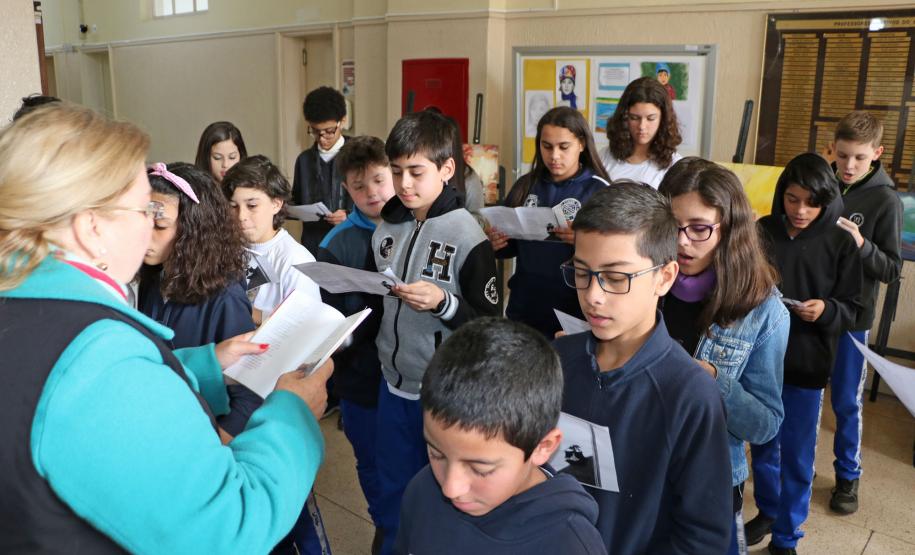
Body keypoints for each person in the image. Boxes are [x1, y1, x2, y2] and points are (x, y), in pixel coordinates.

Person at [0, 102, 332, 553]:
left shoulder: (23, 306)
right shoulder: (99, 357)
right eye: (143, 212)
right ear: (91, 226)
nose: (150, 228)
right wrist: (292, 411)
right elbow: (227, 530)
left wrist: (207, 363)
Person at [553, 182, 732, 555]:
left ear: (664, 277)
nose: (593, 295)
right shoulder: (558, 361)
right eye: (582, 273)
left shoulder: (689, 393)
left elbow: (703, 536)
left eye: (616, 278)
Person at [372, 109, 500, 554]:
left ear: (447, 170)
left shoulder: (468, 235)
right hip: (393, 384)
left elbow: (490, 326)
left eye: (416, 172)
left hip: (441, 392)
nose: (404, 184)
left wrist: (444, 304)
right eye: (396, 171)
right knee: (391, 489)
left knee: (440, 495)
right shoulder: (387, 224)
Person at [658, 158, 789, 555]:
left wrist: (713, 379)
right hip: (642, 464)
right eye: (671, 225)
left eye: (699, 228)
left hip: (709, 477)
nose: (682, 241)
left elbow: (766, 424)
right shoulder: (641, 280)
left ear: (730, 229)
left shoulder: (764, 311)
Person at [395, 317, 606, 554]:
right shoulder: (421, 491)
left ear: (542, 446)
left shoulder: (571, 546)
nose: (450, 488)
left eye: (481, 469)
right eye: (436, 454)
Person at [749, 153, 863, 555]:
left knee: (796, 457)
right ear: (782, 195)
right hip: (760, 362)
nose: (800, 210)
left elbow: (854, 307)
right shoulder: (762, 231)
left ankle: (786, 536)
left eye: (811, 203)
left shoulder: (839, 241)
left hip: (807, 364)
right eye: (792, 199)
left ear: (826, 202)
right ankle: (767, 511)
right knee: (763, 448)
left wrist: (826, 309)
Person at [317, 135, 396, 554]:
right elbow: (328, 318)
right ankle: (383, 526)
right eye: (359, 186)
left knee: (409, 461)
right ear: (346, 189)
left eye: (379, 181)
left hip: (410, 373)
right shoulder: (335, 245)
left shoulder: (415, 228)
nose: (372, 193)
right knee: (368, 459)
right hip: (359, 376)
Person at [137, 162, 257, 436]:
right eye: (142, 221)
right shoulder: (153, 280)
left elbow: (249, 395)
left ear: (193, 232)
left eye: (160, 225)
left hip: (206, 434)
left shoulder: (225, 298)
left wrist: (221, 446)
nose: (145, 236)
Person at [828, 111, 903, 514]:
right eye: (843, 156)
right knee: (797, 395)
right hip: (811, 312)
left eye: (859, 157)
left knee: (845, 401)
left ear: (877, 153)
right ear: (832, 150)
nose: (850, 165)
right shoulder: (823, 183)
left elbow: (891, 269)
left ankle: (847, 477)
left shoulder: (885, 199)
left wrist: (861, 243)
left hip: (852, 318)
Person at [487, 106, 609, 337]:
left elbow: (616, 253)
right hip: (525, 307)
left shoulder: (597, 189)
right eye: (547, 146)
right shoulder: (526, 185)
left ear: (581, 144)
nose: (554, 156)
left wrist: (583, 240)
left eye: (564, 147)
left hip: (574, 310)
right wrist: (495, 244)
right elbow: (510, 248)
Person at [222, 155, 320, 324]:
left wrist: (249, 312)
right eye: (233, 207)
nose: (241, 216)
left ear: (276, 204)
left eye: (252, 206)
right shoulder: (225, 249)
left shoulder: (297, 261)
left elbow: (306, 326)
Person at [292, 86, 352, 253]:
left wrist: (350, 215)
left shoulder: (360, 155)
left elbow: (375, 202)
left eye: (329, 131)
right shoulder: (304, 161)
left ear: (343, 121)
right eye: (316, 132)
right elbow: (296, 201)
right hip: (314, 246)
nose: (322, 138)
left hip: (350, 244)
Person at [599, 77, 682, 189]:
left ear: (663, 119)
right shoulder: (605, 156)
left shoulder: (675, 165)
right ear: (624, 117)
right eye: (634, 118)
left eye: (651, 118)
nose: (642, 126)